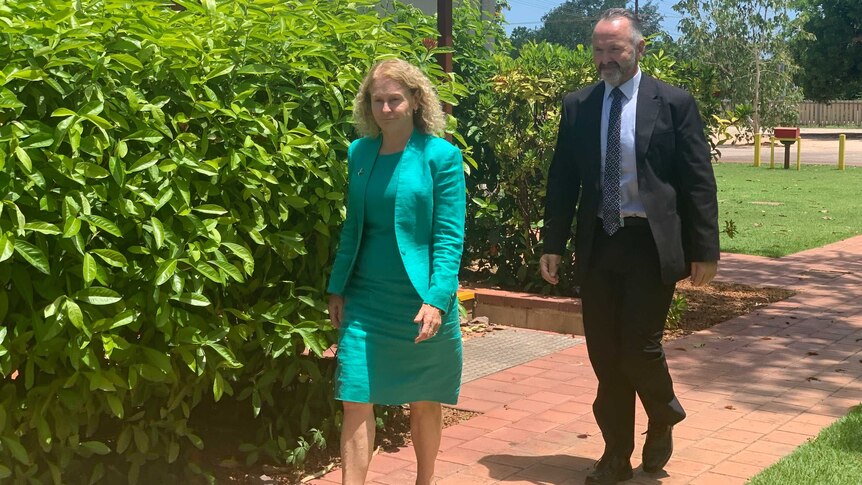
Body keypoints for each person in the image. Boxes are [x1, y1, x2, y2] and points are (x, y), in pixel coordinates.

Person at [540, 9, 720, 485]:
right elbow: (562, 181)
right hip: (600, 241)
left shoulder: (674, 102)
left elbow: (697, 180)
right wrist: (552, 242)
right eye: (598, 49)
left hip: (650, 243)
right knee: (604, 353)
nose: (605, 59)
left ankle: (662, 414)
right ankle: (615, 454)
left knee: (638, 348)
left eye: (614, 49)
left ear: (639, 49)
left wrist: (705, 248)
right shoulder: (578, 105)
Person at [326, 58, 466, 485]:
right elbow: (354, 225)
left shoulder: (440, 156)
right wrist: (337, 288)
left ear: (415, 100)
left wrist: (437, 300)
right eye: (377, 100)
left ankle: (425, 480)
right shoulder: (360, 152)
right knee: (355, 395)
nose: (385, 109)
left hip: (420, 300)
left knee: (424, 399)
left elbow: (448, 236)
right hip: (366, 296)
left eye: (394, 99)